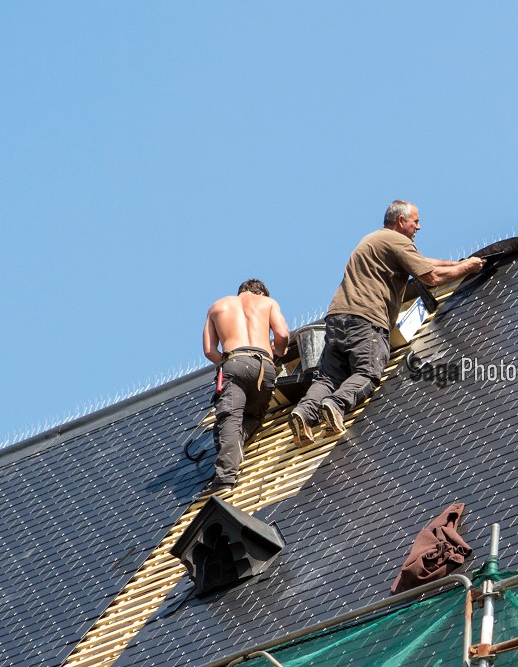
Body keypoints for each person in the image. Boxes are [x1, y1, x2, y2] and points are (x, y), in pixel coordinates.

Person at [289, 200, 485, 445]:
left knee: (327, 378)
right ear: (401, 221)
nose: (419, 227)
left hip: (337, 319)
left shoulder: (373, 239)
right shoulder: (398, 241)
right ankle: (335, 405)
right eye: (416, 221)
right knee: (367, 372)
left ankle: (304, 413)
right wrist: (467, 268)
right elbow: (431, 277)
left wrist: (457, 264)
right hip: (367, 319)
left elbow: (425, 262)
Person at [203, 279, 290, 494]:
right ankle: (236, 447)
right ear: (261, 293)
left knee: (230, 417)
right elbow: (283, 335)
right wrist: (278, 352)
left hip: (234, 362)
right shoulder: (268, 303)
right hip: (264, 366)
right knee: (253, 416)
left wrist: (229, 362)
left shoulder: (218, 306)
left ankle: (224, 477)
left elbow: (209, 350)